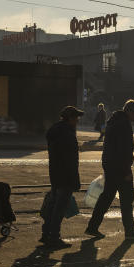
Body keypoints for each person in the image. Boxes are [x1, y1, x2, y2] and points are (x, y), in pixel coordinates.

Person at [86, 100, 134, 241]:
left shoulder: (114, 121)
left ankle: (92, 227)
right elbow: (123, 150)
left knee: (106, 197)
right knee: (126, 199)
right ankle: (130, 231)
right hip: (120, 168)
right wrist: (126, 171)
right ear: (130, 111)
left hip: (110, 165)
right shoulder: (123, 124)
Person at [41, 105, 83, 248]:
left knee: (53, 206)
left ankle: (46, 234)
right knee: (59, 208)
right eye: (76, 118)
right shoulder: (67, 135)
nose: (77, 121)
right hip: (66, 176)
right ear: (70, 118)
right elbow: (71, 161)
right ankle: (54, 237)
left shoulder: (56, 131)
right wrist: (75, 181)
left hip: (55, 174)